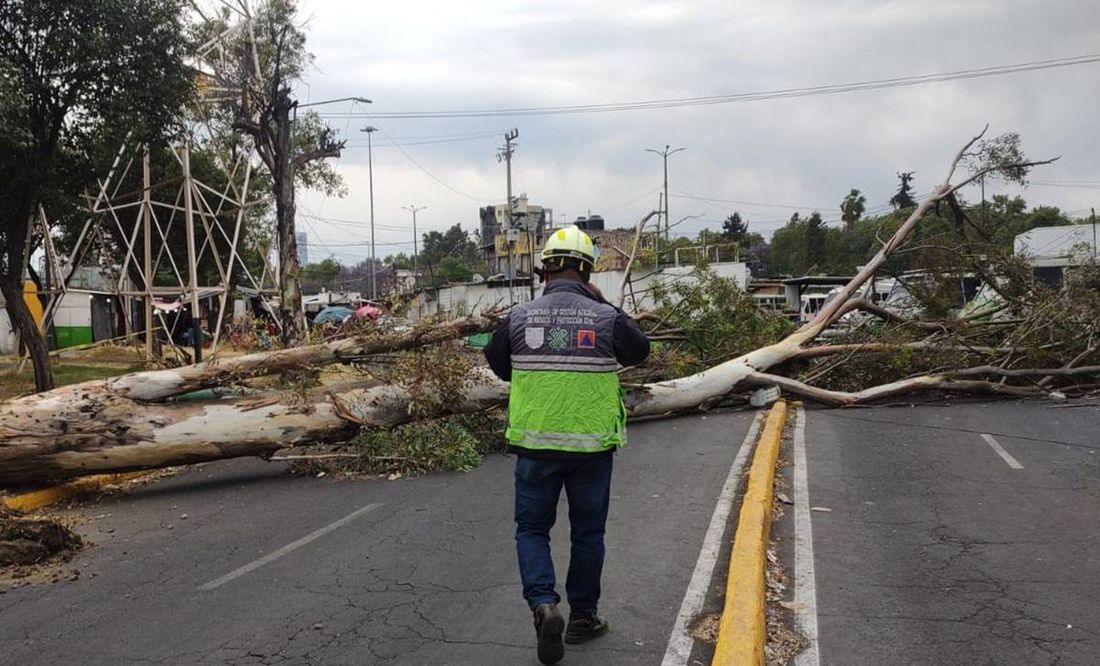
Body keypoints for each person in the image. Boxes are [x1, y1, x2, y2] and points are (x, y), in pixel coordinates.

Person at [484, 225, 650, 665]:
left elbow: (499, 364)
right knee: (588, 534)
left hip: (535, 447)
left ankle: (543, 603)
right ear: (587, 270)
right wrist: (602, 302)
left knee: (532, 530)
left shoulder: (519, 319)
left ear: (545, 271)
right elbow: (640, 351)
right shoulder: (605, 317)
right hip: (591, 450)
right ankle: (583, 618)